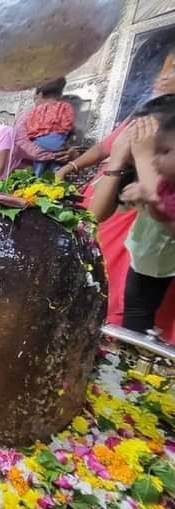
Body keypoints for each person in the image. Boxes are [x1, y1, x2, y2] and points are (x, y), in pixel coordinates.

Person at [88, 98, 175, 337]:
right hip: (144, 258)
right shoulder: (139, 166)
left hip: (157, 265)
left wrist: (145, 156)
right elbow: (94, 215)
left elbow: (160, 208)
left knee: (138, 316)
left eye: (164, 149)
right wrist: (118, 159)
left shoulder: (153, 166)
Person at [24, 78, 75, 176]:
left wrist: (37, 138)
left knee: (38, 169)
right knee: (55, 166)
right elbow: (67, 125)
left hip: (39, 144)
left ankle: (36, 178)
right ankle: (56, 175)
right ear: (60, 95)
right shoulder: (65, 106)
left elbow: (30, 129)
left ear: (40, 94)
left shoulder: (34, 111)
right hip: (57, 144)